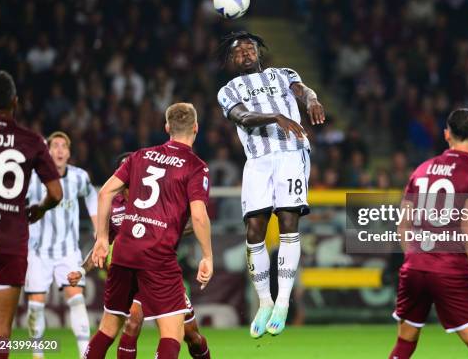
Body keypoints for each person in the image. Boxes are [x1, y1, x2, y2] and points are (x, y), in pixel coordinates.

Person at [216, 31, 325, 337]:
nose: (246, 54)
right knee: (254, 229)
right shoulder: (228, 90)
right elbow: (243, 117)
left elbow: (302, 90)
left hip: (291, 153)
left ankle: (283, 302)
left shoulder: (282, 74)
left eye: (250, 49)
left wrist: (313, 99)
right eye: (239, 52)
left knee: (289, 221)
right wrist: (275, 116)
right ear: (231, 61)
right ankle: (264, 302)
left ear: (259, 53)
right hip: (257, 161)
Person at [84, 103, 213, 359]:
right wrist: (208, 255)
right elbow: (198, 216)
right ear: (196, 128)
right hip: (157, 256)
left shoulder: (140, 155)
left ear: (167, 128)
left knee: (108, 328)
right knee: (172, 334)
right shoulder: (196, 167)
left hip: (124, 251)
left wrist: (101, 239)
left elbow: (104, 192)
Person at [390, 108, 468, 359]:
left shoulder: (421, 170)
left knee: (404, 345)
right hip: (450, 268)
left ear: (446, 134)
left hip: (415, 265)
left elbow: (402, 225)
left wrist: (413, 259)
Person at [0, 70, 62, 359]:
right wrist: (39, 210)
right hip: (9, 242)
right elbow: (55, 193)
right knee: (0, 333)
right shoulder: (30, 141)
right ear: (15, 102)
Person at [25, 131, 97, 358]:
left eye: (63, 146)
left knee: (77, 301)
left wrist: (98, 227)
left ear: (68, 152)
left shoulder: (79, 177)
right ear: (47, 151)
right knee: (36, 306)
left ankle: (84, 354)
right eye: (54, 145)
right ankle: (38, 354)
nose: (58, 150)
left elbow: (92, 196)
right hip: (38, 252)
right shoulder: (33, 178)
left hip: (68, 252)